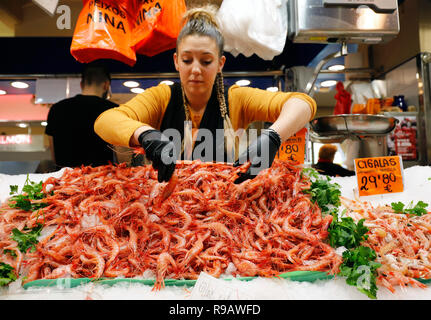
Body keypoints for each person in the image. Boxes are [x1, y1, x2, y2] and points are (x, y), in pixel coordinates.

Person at [94, 5, 317, 184]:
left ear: (221, 63)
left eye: (206, 61)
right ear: (176, 61)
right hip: (168, 210)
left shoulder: (236, 98)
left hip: (224, 208)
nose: (196, 69)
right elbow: (105, 121)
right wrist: (145, 134)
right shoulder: (161, 97)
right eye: (187, 60)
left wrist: (273, 136)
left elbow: (303, 103)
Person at [45, 61, 118, 169]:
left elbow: (53, 152)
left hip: (65, 180)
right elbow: (120, 151)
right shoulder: (114, 110)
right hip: (102, 180)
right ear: (106, 85)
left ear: (81, 84)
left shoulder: (57, 108)